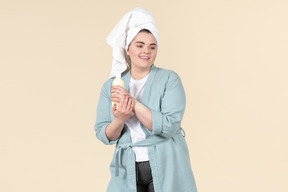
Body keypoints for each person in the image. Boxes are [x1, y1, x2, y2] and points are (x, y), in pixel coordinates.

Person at [94, 7, 197, 192]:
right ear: (128, 48)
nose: (146, 52)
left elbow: (169, 125)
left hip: (167, 163)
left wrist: (132, 103)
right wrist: (119, 119)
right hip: (127, 166)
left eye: (152, 46)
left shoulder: (169, 79)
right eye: (139, 45)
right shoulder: (111, 86)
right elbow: (104, 134)